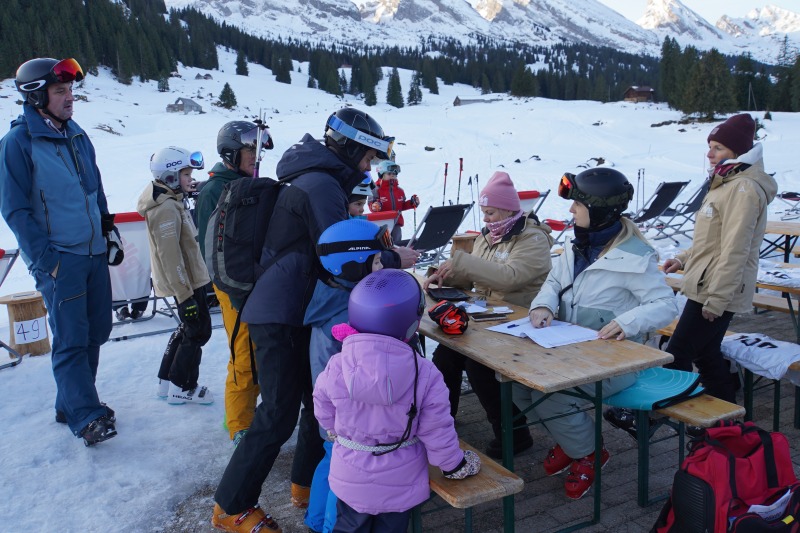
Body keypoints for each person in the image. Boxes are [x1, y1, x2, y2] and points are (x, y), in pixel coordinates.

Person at [211, 107, 419, 533]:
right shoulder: (321, 185)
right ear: (351, 148)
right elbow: (339, 259)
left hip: (295, 308)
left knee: (316, 402)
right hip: (280, 312)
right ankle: (231, 506)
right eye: (369, 156)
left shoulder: (318, 178)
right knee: (279, 412)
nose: (371, 166)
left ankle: (306, 485)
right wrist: (391, 259)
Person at [513, 168, 677, 500]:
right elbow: (553, 282)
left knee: (554, 397)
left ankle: (589, 453)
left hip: (617, 362)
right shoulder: (577, 246)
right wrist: (543, 305)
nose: (571, 210)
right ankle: (574, 440)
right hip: (570, 351)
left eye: (578, 205)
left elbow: (665, 304)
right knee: (518, 387)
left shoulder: (635, 256)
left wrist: (628, 322)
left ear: (600, 210)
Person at [0, 57, 118, 446]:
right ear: (37, 96)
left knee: (96, 331)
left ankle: (71, 404)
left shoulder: (77, 134)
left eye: (70, 90)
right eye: (60, 91)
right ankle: (86, 415)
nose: (70, 98)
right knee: (71, 338)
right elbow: (15, 210)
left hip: (93, 253)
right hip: (60, 259)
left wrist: (108, 231)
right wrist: (47, 262)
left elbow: (94, 188)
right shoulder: (18, 143)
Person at [314, 269, 481, 533]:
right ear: (412, 322)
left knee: (348, 526)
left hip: (350, 471)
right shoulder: (424, 372)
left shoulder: (337, 364)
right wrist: (454, 465)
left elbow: (322, 404)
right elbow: (436, 429)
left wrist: (336, 429)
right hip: (400, 480)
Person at [423, 171, 553, 459]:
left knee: (479, 366)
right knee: (445, 355)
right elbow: (473, 277)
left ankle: (515, 434)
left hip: (521, 321)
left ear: (508, 209)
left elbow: (510, 277)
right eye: (484, 213)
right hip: (487, 319)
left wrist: (464, 263)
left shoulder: (533, 239)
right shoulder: (486, 237)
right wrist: (446, 275)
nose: (486, 219)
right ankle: (443, 421)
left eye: (491, 212)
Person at [661, 114, 776, 402]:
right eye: (710, 146)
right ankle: (728, 420)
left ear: (737, 151)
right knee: (706, 353)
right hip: (709, 281)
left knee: (677, 354)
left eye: (718, 148)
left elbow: (736, 249)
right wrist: (683, 258)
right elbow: (712, 240)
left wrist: (717, 298)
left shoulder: (743, 188)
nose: (709, 154)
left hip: (715, 288)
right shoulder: (727, 181)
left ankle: (663, 415)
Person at [304, 219, 401, 533]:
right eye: (376, 261)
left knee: (330, 460)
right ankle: (331, 526)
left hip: (331, 410)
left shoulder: (332, 295)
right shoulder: (350, 314)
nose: (381, 267)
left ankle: (316, 521)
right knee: (345, 478)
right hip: (346, 416)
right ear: (352, 265)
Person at [195, 120, 272, 444]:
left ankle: (250, 414)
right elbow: (213, 250)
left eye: (258, 149)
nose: (256, 155)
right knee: (244, 353)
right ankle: (239, 424)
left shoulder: (249, 184)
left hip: (254, 283)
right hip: (233, 286)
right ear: (231, 153)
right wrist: (237, 290)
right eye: (249, 149)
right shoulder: (216, 190)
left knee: (259, 350)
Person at [138, 147, 213, 405]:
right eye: (185, 174)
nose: (191, 179)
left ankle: (166, 381)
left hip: (188, 279)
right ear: (170, 177)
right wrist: (185, 295)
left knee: (188, 329)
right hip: (186, 282)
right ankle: (183, 386)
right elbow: (169, 255)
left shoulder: (171, 200)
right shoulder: (166, 208)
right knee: (198, 332)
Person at [369, 160, 419, 242]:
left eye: (394, 174)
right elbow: (371, 204)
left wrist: (411, 203)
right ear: (381, 174)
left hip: (396, 224)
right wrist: (374, 206)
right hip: (381, 225)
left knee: (397, 244)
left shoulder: (400, 191)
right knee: (383, 244)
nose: (392, 176)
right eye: (389, 174)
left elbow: (402, 206)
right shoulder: (376, 189)